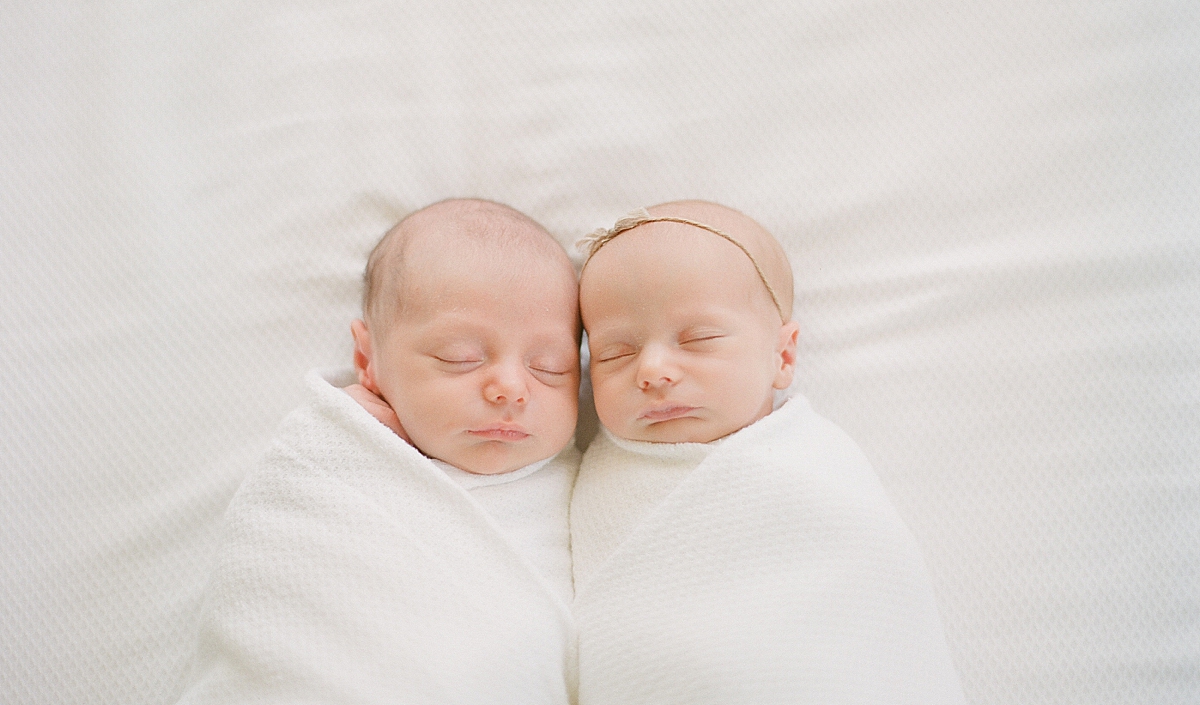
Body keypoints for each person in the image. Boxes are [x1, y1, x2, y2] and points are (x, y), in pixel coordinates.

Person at [177, 199, 582, 705]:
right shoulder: (326, 459)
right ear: (368, 359)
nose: (510, 387)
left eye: (549, 366)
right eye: (460, 358)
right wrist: (356, 437)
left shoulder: (587, 488)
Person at [570, 199, 965, 705]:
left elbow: (867, 586)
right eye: (614, 353)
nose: (652, 370)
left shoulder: (814, 465)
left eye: (699, 339)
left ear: (783, 355)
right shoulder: (587, 475)